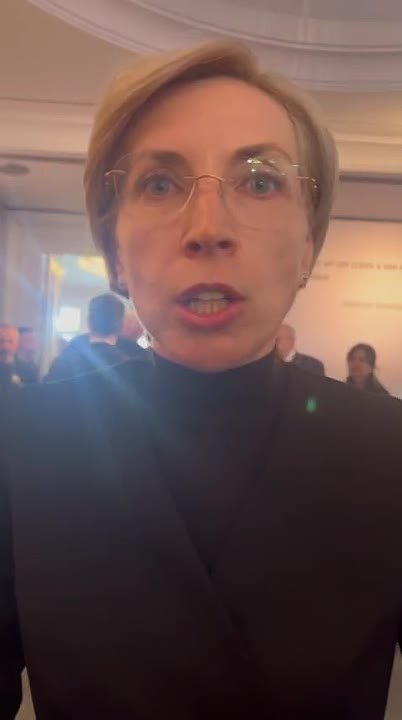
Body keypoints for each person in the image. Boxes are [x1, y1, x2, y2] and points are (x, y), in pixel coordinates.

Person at [1, 40, 402, 720]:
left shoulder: (391, 451)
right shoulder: (20, 444)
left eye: (261, 182)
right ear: (114, 251)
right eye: (160, 184)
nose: (209, 230)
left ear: (309, 244)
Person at [46, 293, 130, 381]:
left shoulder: (63, 362)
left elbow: (47, 388)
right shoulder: (130, 367)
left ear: (89, 321)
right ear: (121, 324)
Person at [0, 324, 38, 396]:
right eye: (1, 341)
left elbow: (33, 394)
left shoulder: (30, 369)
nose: (5, 346)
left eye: (10, 341)